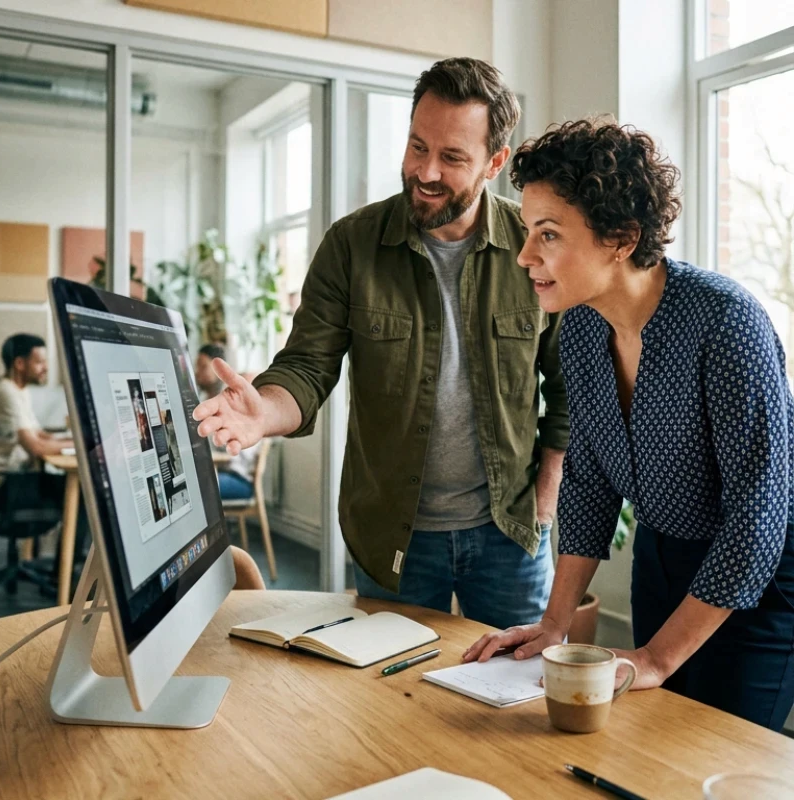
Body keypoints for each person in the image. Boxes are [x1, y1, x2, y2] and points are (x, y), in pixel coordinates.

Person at [192, 58, 570, 629]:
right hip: (395, 535)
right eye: (418, 147)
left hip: (508, 534)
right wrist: (264, 411)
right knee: (392, 703)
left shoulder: (534, 248)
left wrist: (547, 493)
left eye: (452, 157)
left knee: (514, 697)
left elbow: (570, 389)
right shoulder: (351, 245)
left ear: (495, 162)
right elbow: (306, 365)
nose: (426, 171)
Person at [463, 119, 794, 731]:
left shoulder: (725, 324)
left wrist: (656, 658)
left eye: (549, 235)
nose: (525, 255)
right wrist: (555, 622)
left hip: (760, 573)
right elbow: (588, 479)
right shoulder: (585, 328)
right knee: (653, 744)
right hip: (662, 557)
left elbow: (757, 516)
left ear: (621, 238)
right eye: (528, 233)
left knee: (721, 753)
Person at [0, 334, 73, 509]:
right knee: (82, 494)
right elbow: (36, 446)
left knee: (75, 489)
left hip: (19, 476)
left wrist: (74, 441)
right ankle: (65, 538)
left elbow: (39, 435)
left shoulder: (19, 390)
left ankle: (64, 537)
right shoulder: (5, 392)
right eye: (40, 362)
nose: (46, 368)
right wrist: (81, 446)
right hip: (4, 484)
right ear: (20, 364)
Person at [194, 343, 259, 501]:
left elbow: (235, 454)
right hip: (215, 472)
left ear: (218, 371)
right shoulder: (202, 402)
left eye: (203, 367)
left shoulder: (234, 402)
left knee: (196, 488)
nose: (196, 373)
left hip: (238, 477)